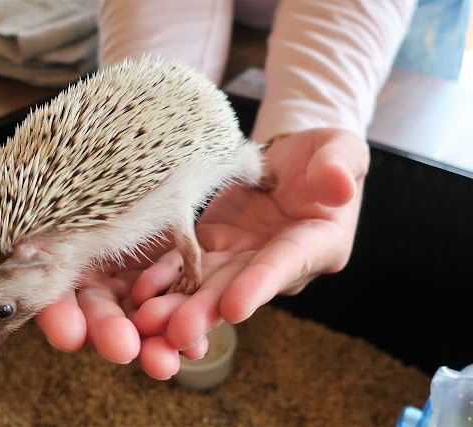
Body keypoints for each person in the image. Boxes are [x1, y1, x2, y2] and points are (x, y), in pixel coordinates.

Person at [31, 0, 461, 380]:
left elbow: (180, 221)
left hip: (376, 20)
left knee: (410, 117)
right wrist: (134, 107)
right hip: (177, 49)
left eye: (3, 312)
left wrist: (313, 114)